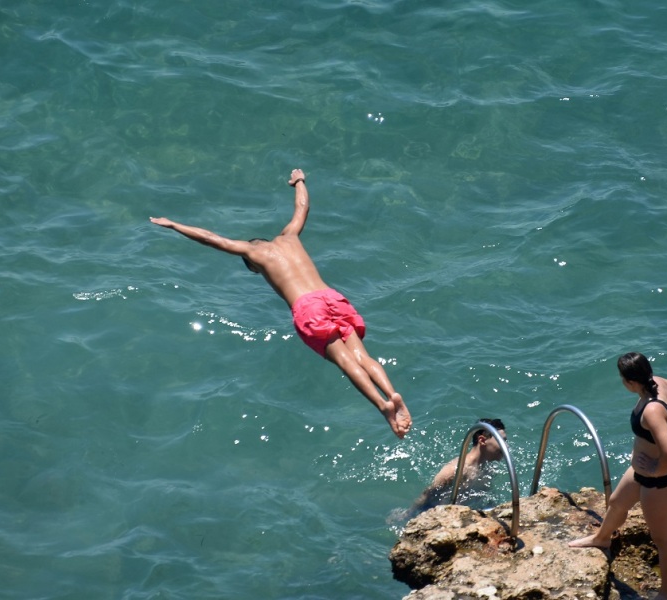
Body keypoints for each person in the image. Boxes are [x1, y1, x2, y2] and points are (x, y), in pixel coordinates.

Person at [150, 169, 412, 439]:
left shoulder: (252, 252)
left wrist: (174, 225)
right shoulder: (291, 236)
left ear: (252, 264)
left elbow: (211, 238)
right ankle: (392, 393)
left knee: (346, 362)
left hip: (309, 307)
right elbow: (302, 207)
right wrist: (299, 181)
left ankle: (384, 408)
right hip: (333, 298)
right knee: (362, 357)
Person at [569, 352, 667, 600]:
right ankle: (602, 539)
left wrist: (656, 470)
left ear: (630, 382)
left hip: (659, 483)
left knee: (662, 539)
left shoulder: (652, 411)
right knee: (617, 503)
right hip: (640, 473)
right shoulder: (658, 383)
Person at [407, 418, 507, 515]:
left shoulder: (488, 468)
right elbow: (427, 495)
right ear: (482, 440)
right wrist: (408, 514)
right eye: (502, 441)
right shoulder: (457, 469)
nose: (506, 446)